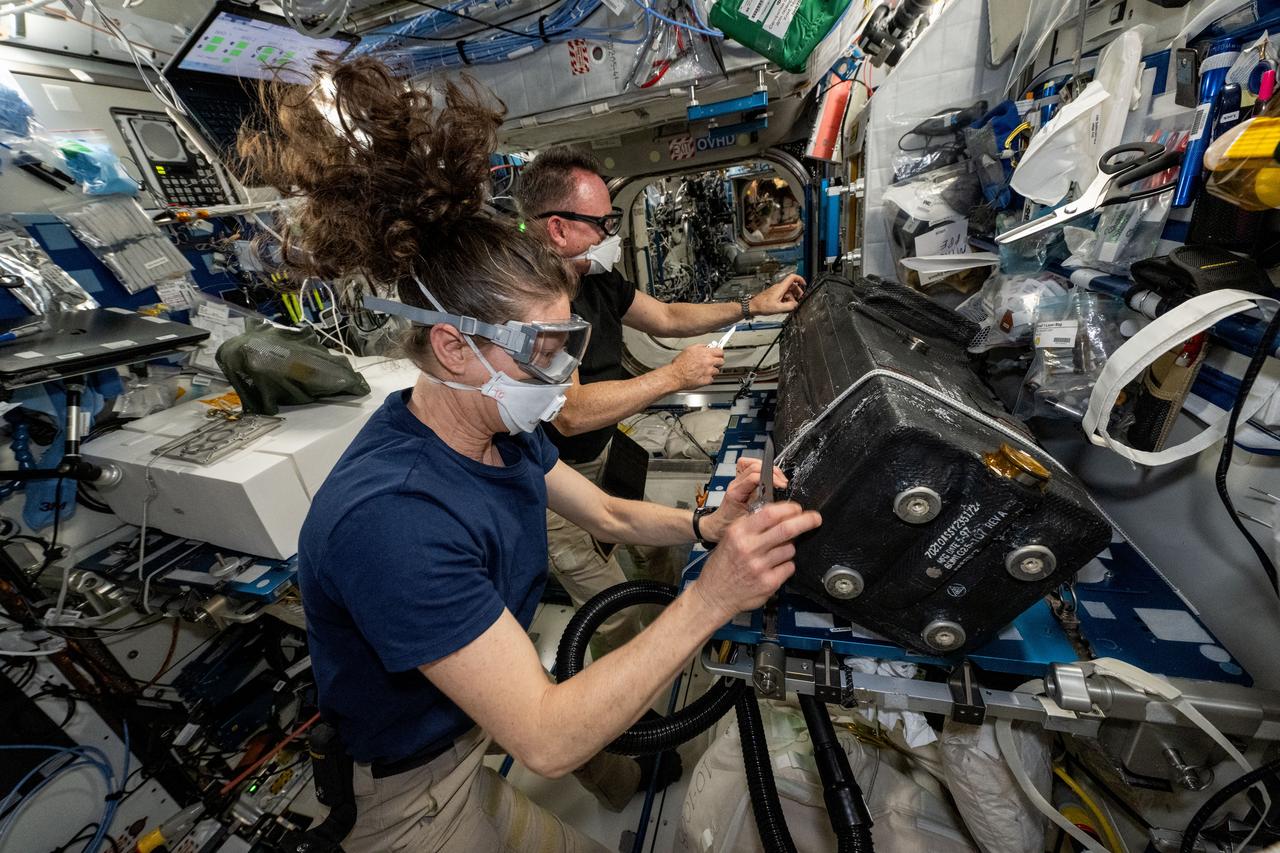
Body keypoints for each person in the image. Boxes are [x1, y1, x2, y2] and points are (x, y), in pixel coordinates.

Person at [243, 59, 822, 853]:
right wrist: (713, 597)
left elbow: (608, 511)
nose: (561, 374)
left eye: (566, 345)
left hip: (478, 729)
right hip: (412, 797)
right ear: (453, 346)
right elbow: (548, 741)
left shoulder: (498, 431)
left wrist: (706, 527)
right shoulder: (394, 520)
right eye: (542, 351)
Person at [514, 147, 808, 656]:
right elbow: (573, 413)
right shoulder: (531, 303)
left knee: (659, 555)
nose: (611, 235)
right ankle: (631, 719)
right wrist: (673, 375)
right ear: (558, 229)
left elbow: (667, 317)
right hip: (554, 484)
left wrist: (750, 305)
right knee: (615, 612)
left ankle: (674, 634)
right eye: (601, 224)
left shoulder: (594, 279)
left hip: (605, 455)